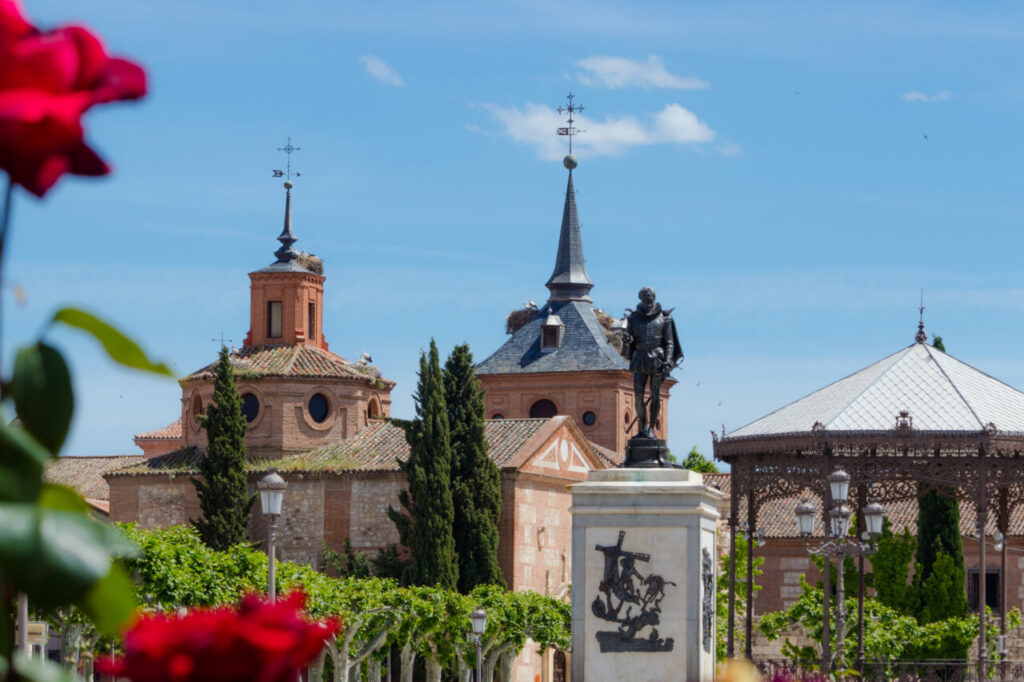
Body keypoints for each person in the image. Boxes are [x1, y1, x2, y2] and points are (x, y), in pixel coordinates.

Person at [622, 287, 683, 439]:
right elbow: (629, 342)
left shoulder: (665, 318)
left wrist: (668, 361)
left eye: (650, 298)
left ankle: (651, 429)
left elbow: (669, 343)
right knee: (638, 395)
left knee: (655, 395)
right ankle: (642, 427)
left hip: (657, 357)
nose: (648, 301)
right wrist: (627, 341)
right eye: (645, 298)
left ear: (654, 298)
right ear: (641, 299)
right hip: (639, 357)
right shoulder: (633, 318)